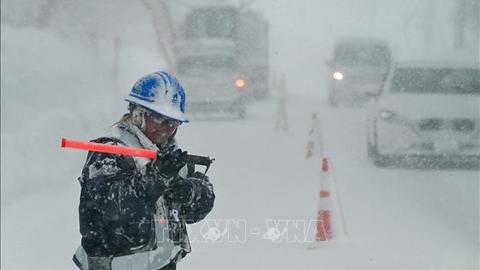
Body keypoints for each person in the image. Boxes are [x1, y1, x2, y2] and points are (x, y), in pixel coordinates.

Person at [72, 71, 215, 270]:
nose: (166, 127)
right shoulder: (109, 151)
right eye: (158, 117)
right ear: (138, 113)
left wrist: (189, 191)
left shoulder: (170, 156)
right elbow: (116, 208)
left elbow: (201, 204)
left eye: (172, 121)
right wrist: (157, 178)